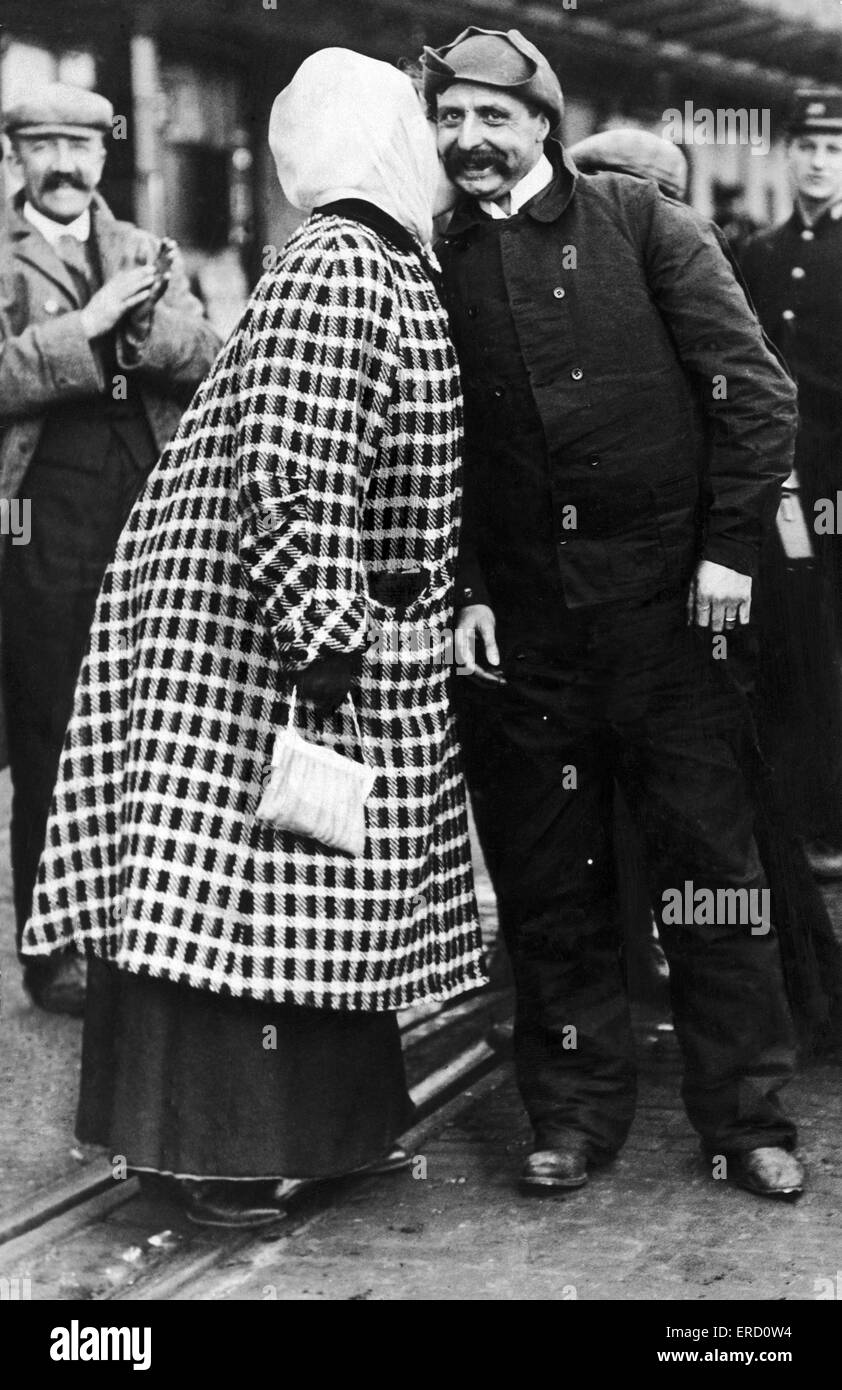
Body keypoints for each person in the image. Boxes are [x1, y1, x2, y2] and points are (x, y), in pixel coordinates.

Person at [22, 49, 485, 1228]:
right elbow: (286, 474)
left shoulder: (369, 258)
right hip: (261, 646)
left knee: (297, 896)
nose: (440, 148)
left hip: (280, 628)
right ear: (377, 140)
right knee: (241, 901)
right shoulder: (343, 264)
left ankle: (312, 1131)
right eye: (418, 126)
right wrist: (324, 633)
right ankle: (220, 1152)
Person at [424, 26, 805, 1199]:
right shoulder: (435, 256)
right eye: (449, 120)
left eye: (492, 117)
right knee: (548, 884)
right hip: (528, 637)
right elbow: (444, 457)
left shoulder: (641, 226)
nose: (469, 140)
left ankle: (746, 1121)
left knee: (708, 870)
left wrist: (728, 555)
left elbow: (755, 390)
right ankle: (572, 1114)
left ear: (539, 121)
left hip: (666, 624)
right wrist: (470, 590)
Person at [0, 83, 221, 1014]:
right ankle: (54, 948)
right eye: (42, 145)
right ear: (14, 157)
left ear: (104, 156)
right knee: (51, 724)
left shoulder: (143, 250)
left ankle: (143, 934)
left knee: (150, 723)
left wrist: (147, 324)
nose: (63, 163)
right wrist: (85, 328)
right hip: (41, 511)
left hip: (149, 503)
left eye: (79, 147)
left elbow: (217, 357)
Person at [740, 91, 842, 879]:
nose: (818, 162)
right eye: (807, 148)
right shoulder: (759, 251)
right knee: (798, 633)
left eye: (835, 150)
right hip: (784, 477)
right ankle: (810, 815)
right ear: (787, 155)